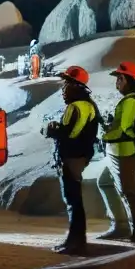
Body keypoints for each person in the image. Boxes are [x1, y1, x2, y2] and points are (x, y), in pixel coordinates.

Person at [43, 66, 99, 255]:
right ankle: (74, 239)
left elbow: (70, 134)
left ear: (76, 86)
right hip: (80, 155)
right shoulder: (87, 104)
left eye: (66, 84)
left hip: (72, 156)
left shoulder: (76, 106)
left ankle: (76, 241)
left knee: (73, 200)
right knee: (74, 200)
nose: (63, 89)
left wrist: (52, 130)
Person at [97, 61, 135, 244]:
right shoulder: (133, 100)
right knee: (104, 182)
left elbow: (124, 129)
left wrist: (105, 135)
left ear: (128, 80)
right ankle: (121, 226)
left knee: (128, 193)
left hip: (123, 152)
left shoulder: (130, 101)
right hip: (118, 152)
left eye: (120, 78)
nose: (117, 82)